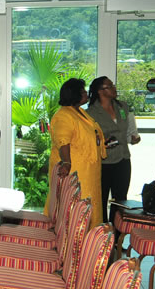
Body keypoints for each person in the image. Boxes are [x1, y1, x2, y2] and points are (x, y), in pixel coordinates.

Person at [47, 78, 105, 229]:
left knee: (88, 213)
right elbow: (63, 141)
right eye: (83, 91)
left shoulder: (79, 112)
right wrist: (66, 162)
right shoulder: (64, 115)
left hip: (89, 173)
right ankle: (72, 250)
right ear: (74, 94)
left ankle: (88, 249)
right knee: (75, 218)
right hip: (75, 174)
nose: (86, 93)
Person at [86, 76, 140, 223]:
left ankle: (117, 236)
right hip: (104, 162)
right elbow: (89, 140)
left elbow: (129, 131)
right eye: (109, 86)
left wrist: (134, 138)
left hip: (123, 159)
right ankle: (102, 235)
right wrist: (103, 144)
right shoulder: (91, 113)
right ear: (100, 91)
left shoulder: (122, 107)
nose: (114, 88)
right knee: (101, 199)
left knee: (120, 199)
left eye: (113, 85)